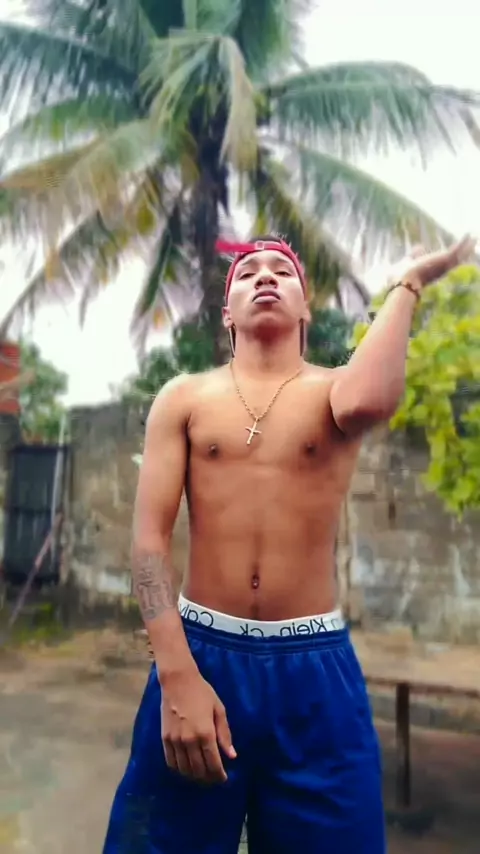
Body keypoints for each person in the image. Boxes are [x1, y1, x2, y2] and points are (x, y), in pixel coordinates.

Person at [103, 232, 475, 854]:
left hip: (314, 670)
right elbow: (148, 541)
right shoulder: (185, 398)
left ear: (305, 309)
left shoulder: (333, 390)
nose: (265, 277)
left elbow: (372, 397)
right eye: (248, 272)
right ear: (227, 313)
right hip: (202, 654)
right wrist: (176, 674)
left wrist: (410, 280)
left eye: (282, 270)